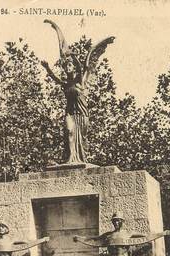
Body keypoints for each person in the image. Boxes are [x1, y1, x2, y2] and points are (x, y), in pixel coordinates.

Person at [41, 20, 115, 164]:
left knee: (81, 140)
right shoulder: (65, 84)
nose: (68, 68)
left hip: (82, 115)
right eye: (66, 66)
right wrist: (47, 68)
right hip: (70, 114)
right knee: (69, 132)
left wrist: (74, 57)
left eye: (70, 66)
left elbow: (81, 68)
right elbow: (53, 77)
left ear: (73, 68)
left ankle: (79, 159)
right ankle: (70, 158)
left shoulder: (80, 81)